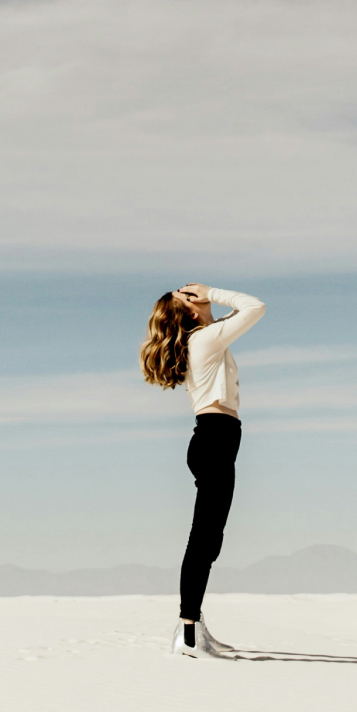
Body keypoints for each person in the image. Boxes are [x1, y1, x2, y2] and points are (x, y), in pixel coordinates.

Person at [139, 281, 266, 658]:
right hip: (215, 440)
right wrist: (213, 291)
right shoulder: (205, 339)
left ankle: (194, 626)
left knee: (209, 541)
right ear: (192, 310)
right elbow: (254, 306)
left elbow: (239, 315)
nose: (198, 294)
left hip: (216, 440)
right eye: (190, 296)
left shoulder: (206, 338)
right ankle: (189, 634)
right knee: (203, 541)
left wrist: (208, 302)